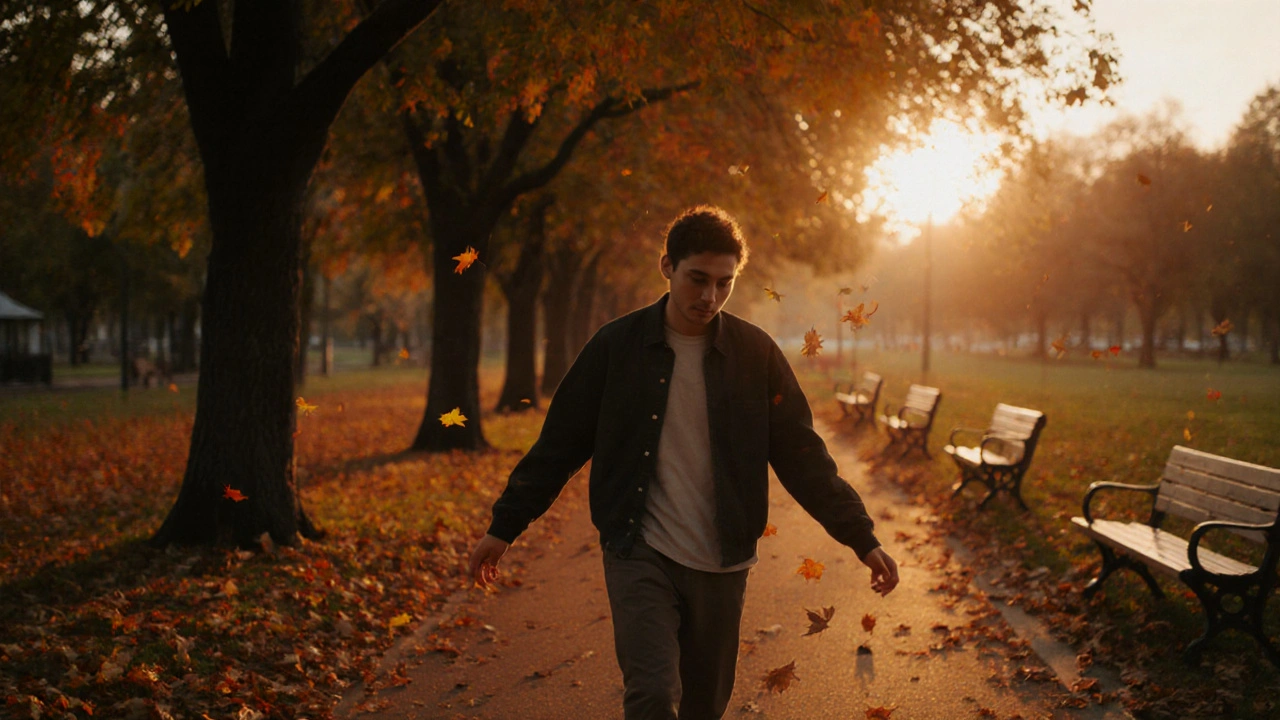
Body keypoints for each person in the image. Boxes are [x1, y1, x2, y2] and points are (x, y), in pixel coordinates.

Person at [468, 205, 898, 720]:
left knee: (703, 706)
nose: (709, 296)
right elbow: (559, 444)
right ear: (667, 266)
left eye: (724, 283)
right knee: (652, 693)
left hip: (724, 558)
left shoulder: (754, 354)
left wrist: (861, 537)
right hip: (638, 548)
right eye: (698, 278)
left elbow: (803, 456)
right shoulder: (616, 347)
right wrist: (505, 526)